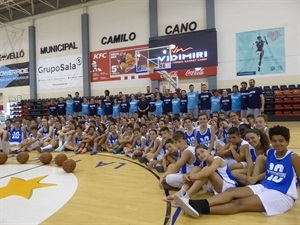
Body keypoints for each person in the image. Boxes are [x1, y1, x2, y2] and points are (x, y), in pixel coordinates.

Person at [174, 125, 300, 218]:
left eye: (281, 141)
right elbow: (269, 171)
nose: (277, 143)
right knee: (232, 192)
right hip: (266, 186)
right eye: (275, 140)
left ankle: (200, 208)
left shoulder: (293, 157)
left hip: (282, 194)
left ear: (288, 141)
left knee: (239, 203)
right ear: (271, 141)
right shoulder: (270, 152)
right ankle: (193, 203)